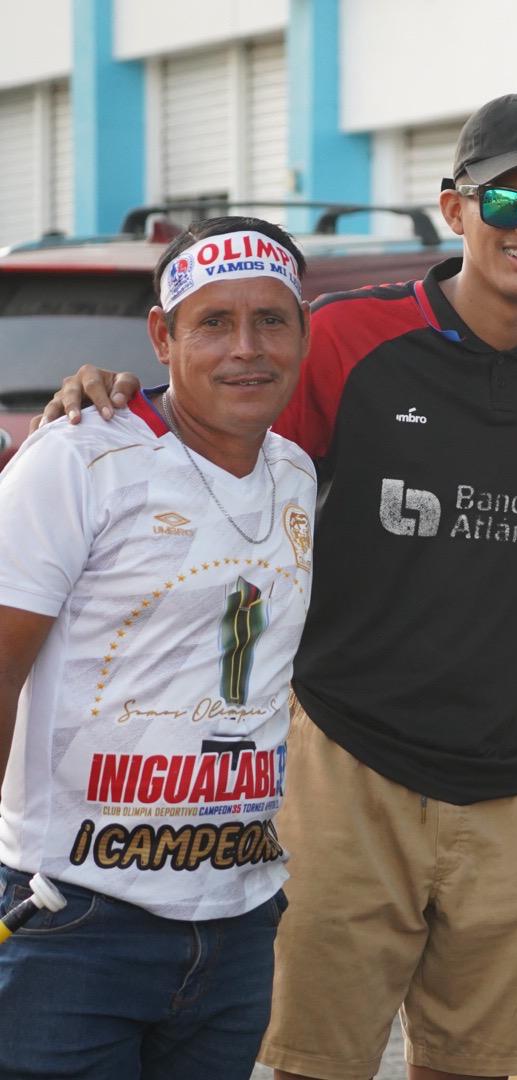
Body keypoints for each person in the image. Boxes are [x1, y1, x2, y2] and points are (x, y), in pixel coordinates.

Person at [44, 93, 517, 1080]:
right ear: (454, 207)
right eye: (509, 203)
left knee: (479, 1064)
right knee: (316, 1061)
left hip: (514, 779)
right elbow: (224, 439)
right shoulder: (351, 340)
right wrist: (110, 398)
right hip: (346, 762)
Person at [0, 217, 317, 1078]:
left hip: (237, 923)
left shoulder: (297, 475)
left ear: (303, 332)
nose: (245, 349)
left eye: (271, 320)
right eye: (213, 322)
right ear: (162, 337)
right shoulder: (78, 460)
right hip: (73, 918)